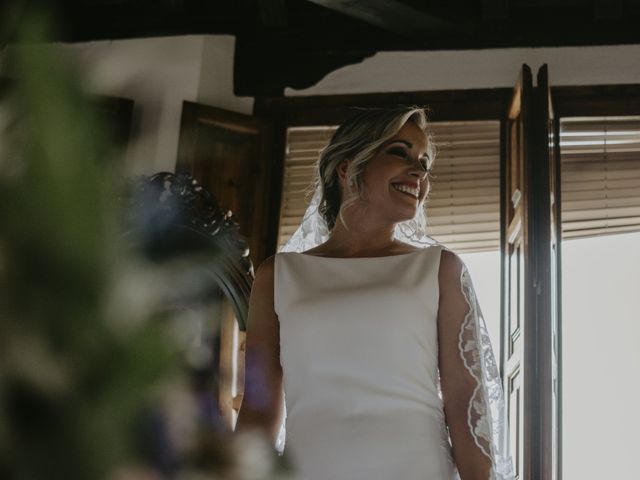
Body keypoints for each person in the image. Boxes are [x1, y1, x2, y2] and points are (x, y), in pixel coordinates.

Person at [236, 107, 514, 480]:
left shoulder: (440, 269)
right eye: (400, 152)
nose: (419, 172)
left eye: (424, 162)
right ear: (348, 168)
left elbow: (466, 405)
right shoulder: (279, 275)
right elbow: (257, 410)